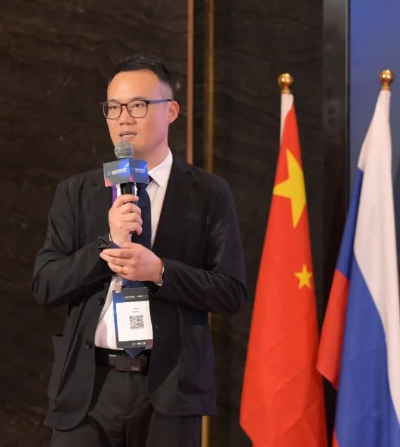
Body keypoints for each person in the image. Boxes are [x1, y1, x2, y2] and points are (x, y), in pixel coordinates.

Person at [32, 53, 247, 447]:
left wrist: (160, 272)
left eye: (138, 105)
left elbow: (230, 290)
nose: (123, 119)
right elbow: (45, 285)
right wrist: (107, 246)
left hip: (168, 390)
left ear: (171, 111)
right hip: (88, 390)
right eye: (113, 108)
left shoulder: (208, 193)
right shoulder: (77, 193)